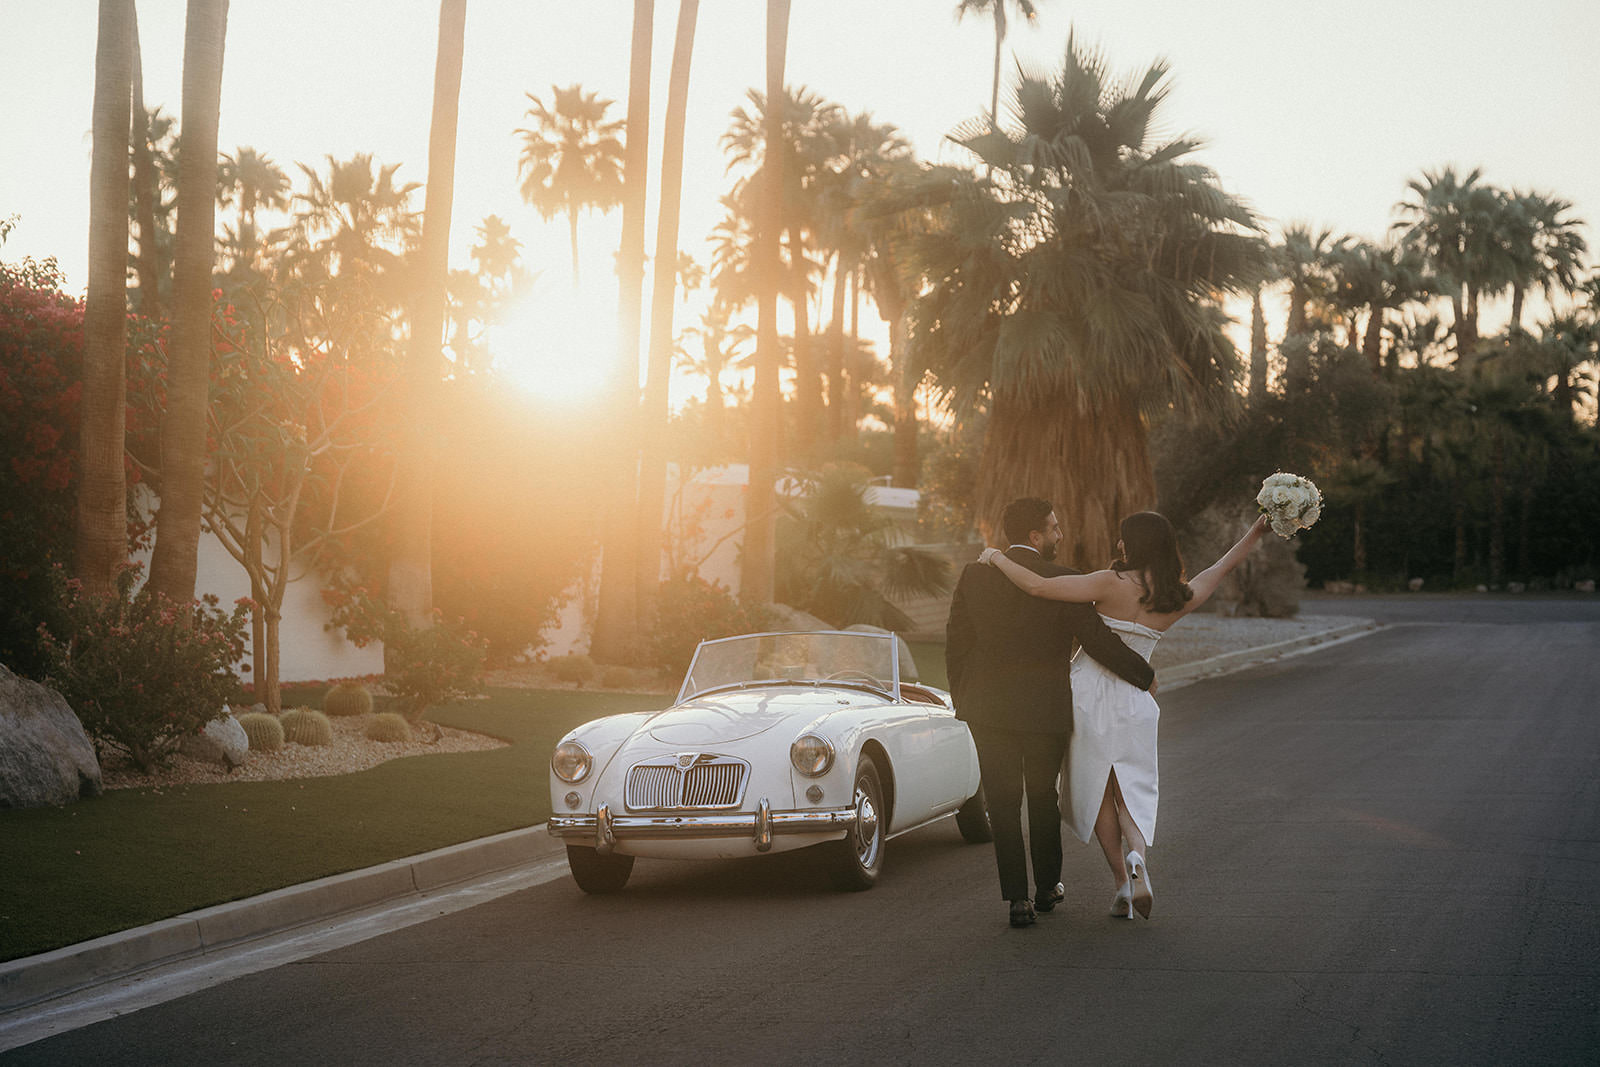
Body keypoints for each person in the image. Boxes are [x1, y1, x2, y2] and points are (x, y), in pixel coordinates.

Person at [981, 510, 1269, 919]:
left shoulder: (1107, 582)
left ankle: (1121, 882)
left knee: (1099, 790)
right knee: (1130, 788)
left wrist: (995, 556)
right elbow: (1221, 567)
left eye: (1122, 539)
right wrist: (1255, 531)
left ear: (1131, 545)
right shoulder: (1179, 595)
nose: (1117, 544)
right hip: (1135, 699)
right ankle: (1138, 860)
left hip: (1086, 695)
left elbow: (1039, 586)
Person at [947, 498, 1157, 928]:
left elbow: (956, 642)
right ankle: (1046, 888)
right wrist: (1145, 674)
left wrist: (962, 698)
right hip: (1045, 710)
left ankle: (1016, 901)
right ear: (1035, 536)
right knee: (1042, 797)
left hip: (987, 708)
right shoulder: (1066, 580)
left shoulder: (974, 575)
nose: (1061, 536)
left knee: (1002, 803)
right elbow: (1097, 640)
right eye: (1055, 529)